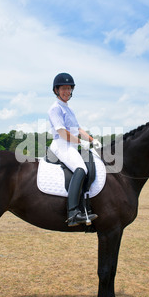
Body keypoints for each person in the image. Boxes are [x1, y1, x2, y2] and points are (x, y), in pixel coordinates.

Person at [48, 73, 100, 227]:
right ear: (56, 90)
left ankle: (84, 206)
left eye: (69, 88)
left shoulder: (68, 109)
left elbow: (78, 129)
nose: (67, 91)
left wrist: (92, 140)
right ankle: (72, 213)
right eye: (63, 88)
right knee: (81, 168)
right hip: (61, 145)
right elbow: (62, 132)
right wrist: (81, 143)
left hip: (71, 144)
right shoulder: (54, 109)